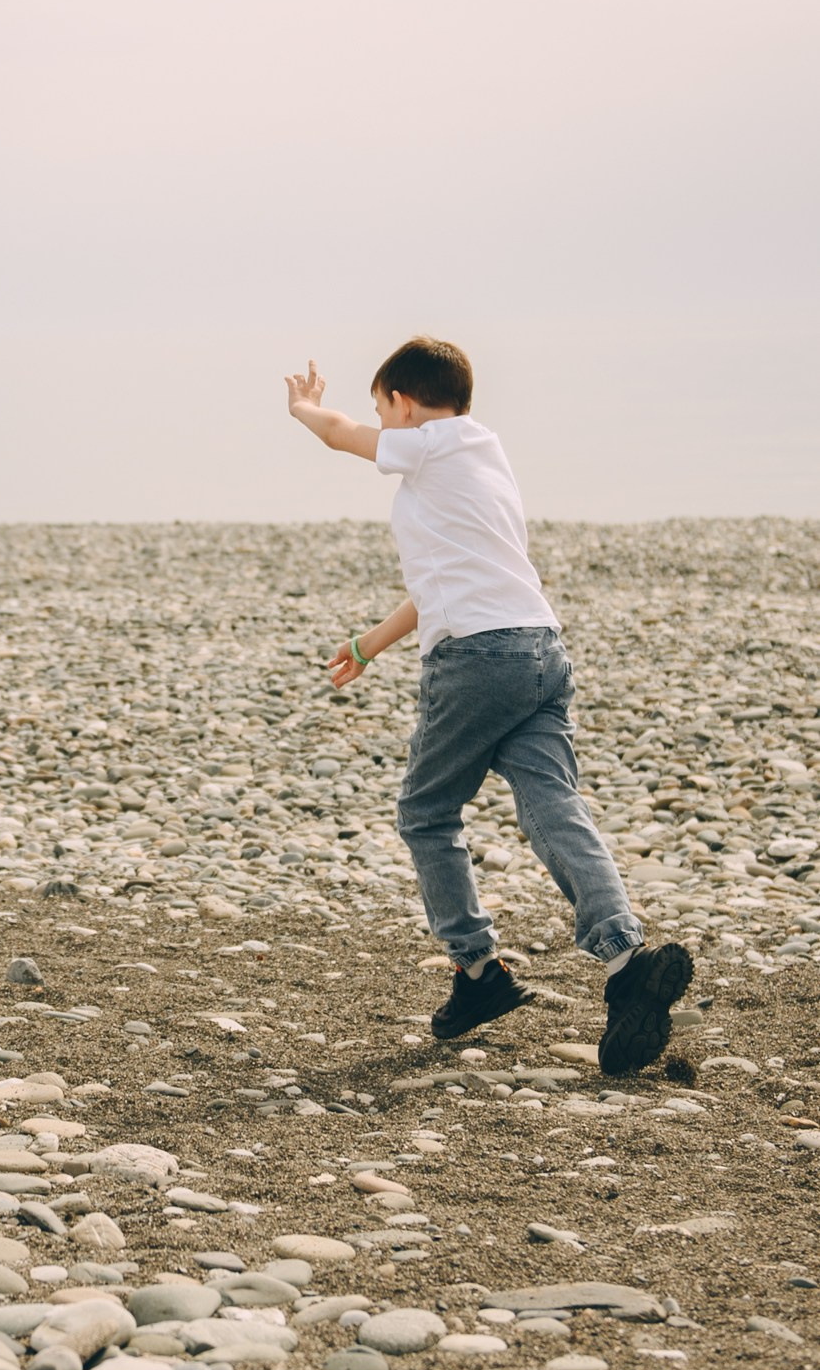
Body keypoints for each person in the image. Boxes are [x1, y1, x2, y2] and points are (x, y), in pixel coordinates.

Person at [283, 337, 690, 1072]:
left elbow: (342, 437)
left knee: (426, 813)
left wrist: (308, 409)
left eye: (384, 409)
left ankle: (476, 973)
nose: (381, 426)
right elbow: (442, 581)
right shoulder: (481, 457)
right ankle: (626, 962)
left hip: (476, 658)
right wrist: (370, 643)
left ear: (404, 404)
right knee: (552, 805)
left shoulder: (428, 445)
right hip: (538, 650)